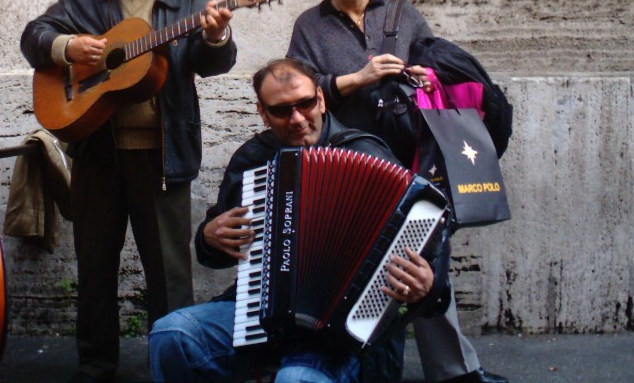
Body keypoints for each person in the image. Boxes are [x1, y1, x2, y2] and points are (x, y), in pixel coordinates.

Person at [20, 0, 237, 383]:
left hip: (164, 158)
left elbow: (212, 63)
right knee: (95, 268)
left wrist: (217, 35)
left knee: (170, 273)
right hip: (97, 154)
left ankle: (172, 364)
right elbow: (34, 36)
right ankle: (96, 366)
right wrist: (68, 47)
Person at [287, 0, 507, 383]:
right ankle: (361, 363)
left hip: (413, 160)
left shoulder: (404, 15)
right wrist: (357, 78)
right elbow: (301, 91)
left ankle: (454, 372)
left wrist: (426, 77)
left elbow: (435, 71)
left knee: (425, 261)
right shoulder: (310, 25)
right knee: (360, 269)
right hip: (349, 165)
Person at [149, 58, 446, 383]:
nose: (297, 118)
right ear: (262, 112)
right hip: (259, 315)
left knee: (297, 379)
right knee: (171, 335)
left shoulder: (366, 154)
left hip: (341, 337)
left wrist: (427, 284)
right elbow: (215, 255)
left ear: (320, 98)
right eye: (281, 110)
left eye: (305, 103)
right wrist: (208, 236)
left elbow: (431, 265)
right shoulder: (253, 159)